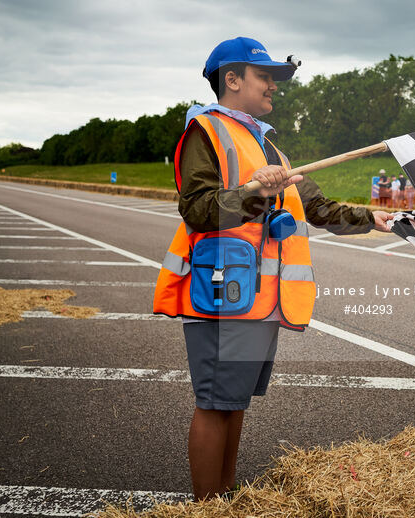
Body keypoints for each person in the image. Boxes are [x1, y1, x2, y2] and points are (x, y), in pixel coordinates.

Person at [153, 37, 394, 501]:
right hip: (224, 290)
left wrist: (373, 218)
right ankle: (208, 508)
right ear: (233, 79)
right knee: (214, 403)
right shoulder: (206, 131)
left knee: (233, 401)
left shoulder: (268, 147)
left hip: (258, 298)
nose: (274, 87)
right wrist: (253, 194)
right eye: (265, 77)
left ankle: (226, 498)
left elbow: (316, 207)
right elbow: (198, 209)